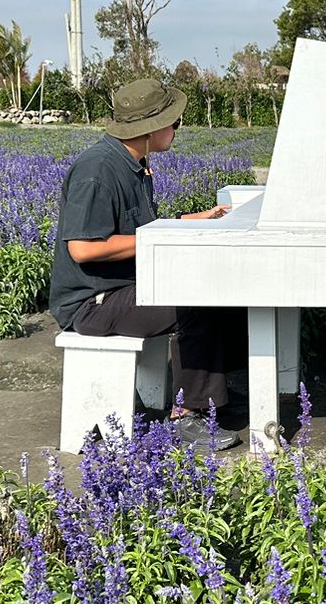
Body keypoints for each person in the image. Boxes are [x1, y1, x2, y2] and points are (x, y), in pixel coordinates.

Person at [49, 78, 244, 449]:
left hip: (122, 287)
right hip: (92, 303)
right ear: (151, 127)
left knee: (224, 292)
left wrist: (192, 220)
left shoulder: (133, 164)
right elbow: (83, 249)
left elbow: (140, 228)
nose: (177, 129)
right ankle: (187, 417)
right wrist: (157, 239)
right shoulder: (99, 171)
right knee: (196, 305)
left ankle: (209, 399)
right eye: (175, 122)